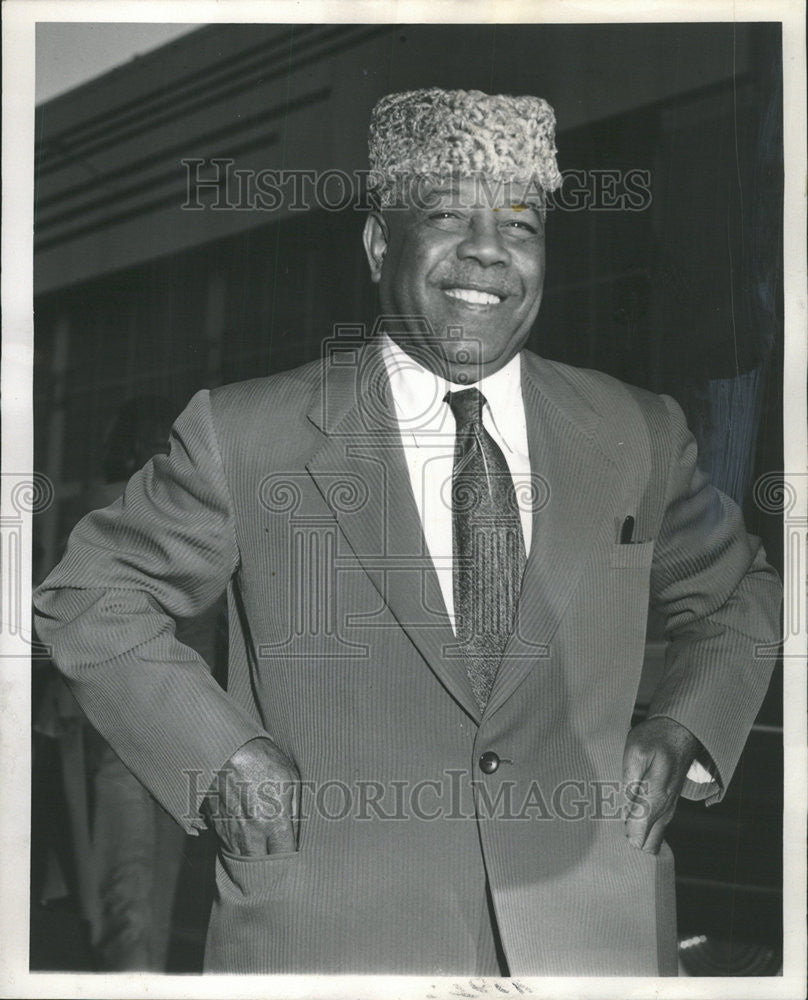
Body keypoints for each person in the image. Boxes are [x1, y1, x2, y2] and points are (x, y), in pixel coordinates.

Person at [33, 88, 781, 977]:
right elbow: (89, 596)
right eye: (447, 217)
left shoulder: (635, 431)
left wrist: (682, 727)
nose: (488, 255)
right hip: (336, 942)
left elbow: (742, 594)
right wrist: (222, 755)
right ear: (380, 244)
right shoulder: (247, 436)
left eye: (521, 225)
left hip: (591, 943)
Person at [34, 396, 225, 970]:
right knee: (136, 887)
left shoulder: (102, 510)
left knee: (120, 882)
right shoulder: (147, 513)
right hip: (141, 722)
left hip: (107, 722)